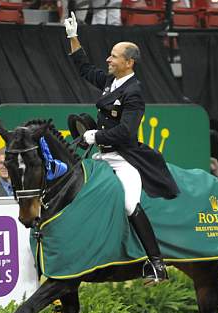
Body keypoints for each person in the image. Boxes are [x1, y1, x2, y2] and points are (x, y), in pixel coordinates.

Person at [64, 12, 179, 285]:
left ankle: (157, 264)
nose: (108, 59)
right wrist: (72, 36)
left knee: (129, 203)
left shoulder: (134, 92)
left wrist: (96, 135)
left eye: (113, 56)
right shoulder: (110, 82)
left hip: (123, 157)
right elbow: (84, 68)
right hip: (103, 156)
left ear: (128, 62)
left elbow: (126, 132)